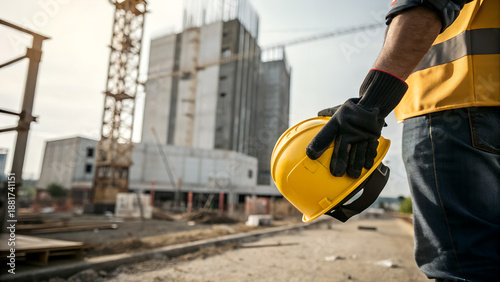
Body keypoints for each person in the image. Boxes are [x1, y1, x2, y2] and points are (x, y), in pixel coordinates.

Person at [305, 0, 499, 281]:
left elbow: (426, 3)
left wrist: (372, 102)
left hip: (454, 100)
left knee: (466, 267)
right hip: (473, 107)